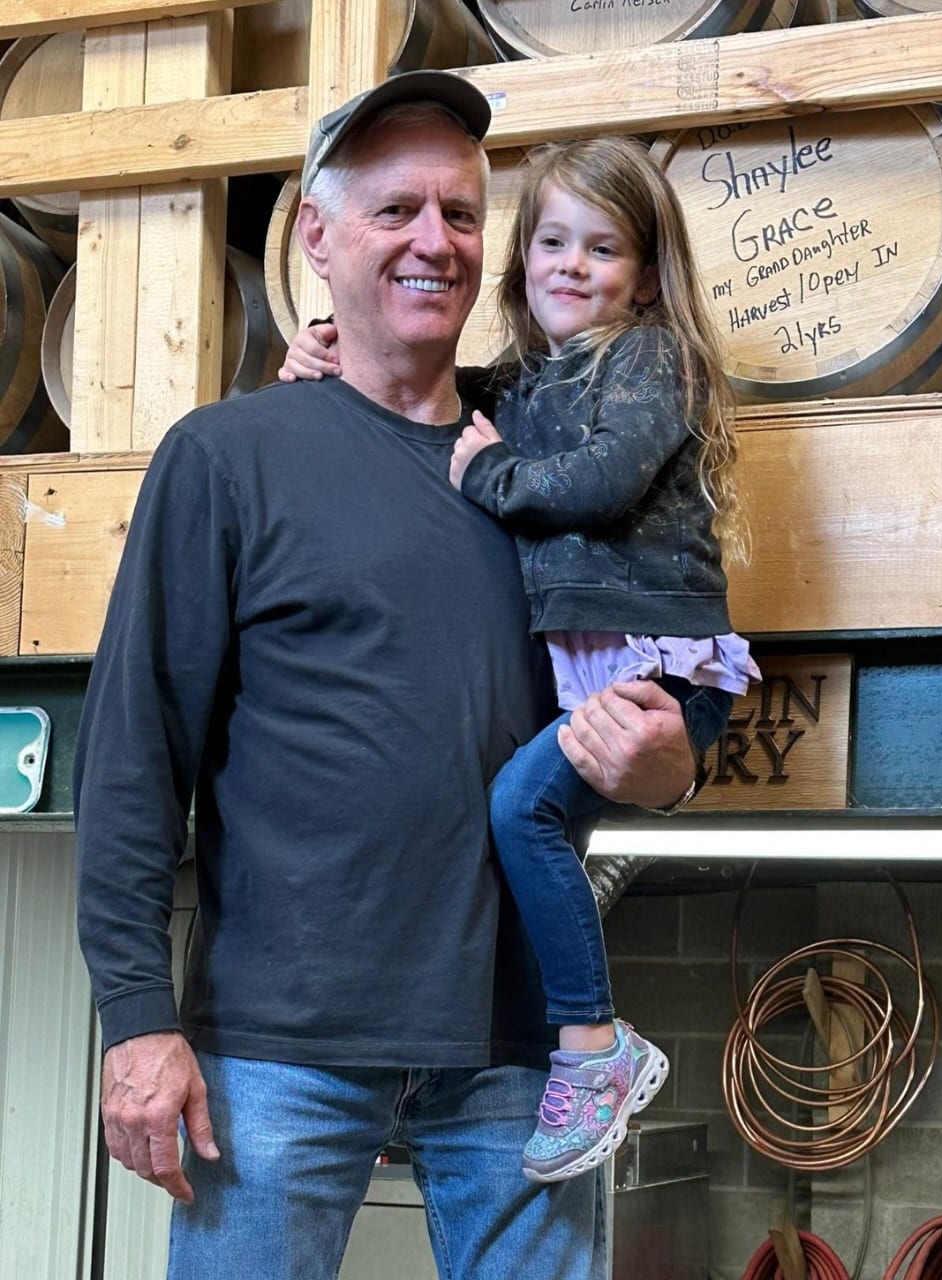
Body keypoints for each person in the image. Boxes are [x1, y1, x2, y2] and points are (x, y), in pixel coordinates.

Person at [74, 71, 704, 1280]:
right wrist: (138, 1022)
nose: (435, 241)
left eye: (462, 215)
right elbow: (132, 763)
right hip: (277, 1051)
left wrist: (673, 769)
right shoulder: (228, 455)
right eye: (396, 210)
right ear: (317, 235)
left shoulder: (545, 456)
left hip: (525, 1055)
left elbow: (650, 673)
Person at [282, 133, 759, 1185]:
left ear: (643, 279)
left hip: (658, 660)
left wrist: (490, 475)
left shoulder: (652, 360)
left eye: (601, 248)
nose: (570, 265)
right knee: (517, 824)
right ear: (521, 257)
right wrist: (317, 351)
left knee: (518, 811)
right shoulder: (530, 375)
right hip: (598, 666)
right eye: (550, 241)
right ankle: (498, 1049)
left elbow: (595, 479)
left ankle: (592, 1043)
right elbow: (432, 385)